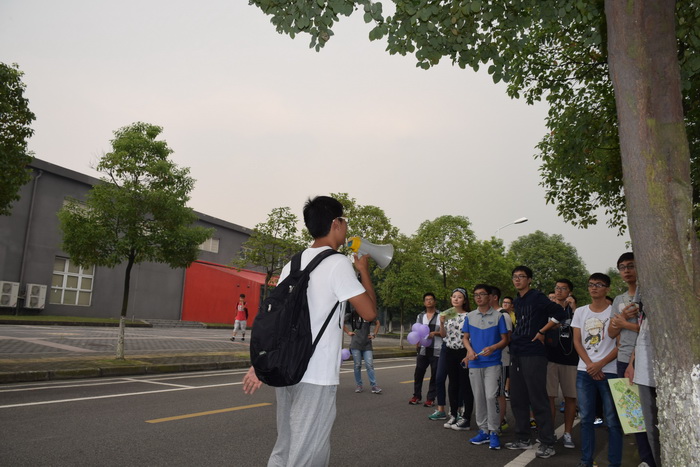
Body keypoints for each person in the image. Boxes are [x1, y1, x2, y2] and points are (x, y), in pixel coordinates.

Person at [242, 196, 377, 467]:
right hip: (317, 374)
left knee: (286, 446)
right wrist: (363, 271)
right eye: (344, 221)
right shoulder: (338, 263)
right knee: (307, 453)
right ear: (336, 223)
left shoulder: (293, 263)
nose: (346, 227)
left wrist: (260, 362)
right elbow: (369, 313)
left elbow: (278, 320)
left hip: (288, 368)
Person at [505, 266, 566, 459]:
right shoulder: (517, 300)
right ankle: (523, 437)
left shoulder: (537, 297)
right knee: (517, 398)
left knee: (538, 399)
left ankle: (548, 442)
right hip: (516, 352)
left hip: (534, 353)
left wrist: (542, 331)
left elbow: (560, 313)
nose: (517, 279)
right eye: (515, 277)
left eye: (521, 276)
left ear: (529, 279)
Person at [572, 273, 623, 467]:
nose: (594, 288)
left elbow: (620, 345)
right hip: (584, 371)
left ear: (607, 289)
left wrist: (599, 364)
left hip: (609, 371)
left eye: (599, 285)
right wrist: (590, 365)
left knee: (612, 421)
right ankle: (586, 461)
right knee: (586, 419)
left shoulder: (614, 313)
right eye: (591, 284)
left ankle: (614, 463)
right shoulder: (580, 312)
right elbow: (577, 341)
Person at [609, 253, 655, 466]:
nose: (626, 270)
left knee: (652, 413)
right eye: (622, 267)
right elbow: (611, 333)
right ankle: (646, 459)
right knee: (634, 416)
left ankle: (657, 457)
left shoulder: (649, 294)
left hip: (648, 360)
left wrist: (625, 323)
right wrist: (622, 321)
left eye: (630, 266)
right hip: (624, 359)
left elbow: (652, 329)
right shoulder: (619, 300)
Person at [462, 284, 509, 450]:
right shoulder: (470, 316)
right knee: (479, 397)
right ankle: (483, 431)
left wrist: (494, 347)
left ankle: (494, 431)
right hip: (475, 363)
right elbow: (465, 338)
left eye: (482, 294)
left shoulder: (498, 316)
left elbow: (505, 339)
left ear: (490, 297)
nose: (479, 297)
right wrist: (469, 351)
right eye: (476, 294)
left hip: (493, 363)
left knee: (491, 396)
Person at [624, 288, 660, 467]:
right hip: (644, 368)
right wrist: (632, 362)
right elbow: (641, 326)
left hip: (674, 370)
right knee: (649, 427)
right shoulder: (645, 283)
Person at [545, 278, 578, 449]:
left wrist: (573, 308)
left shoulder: (576, 311)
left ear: (569, 292)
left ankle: (567, 433)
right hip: (550, 357)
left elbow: (581, 331)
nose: (559, 291)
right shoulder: (548, 309)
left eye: (563, 288)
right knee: (549, 396)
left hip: (570, 359)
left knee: (570, 397)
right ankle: (549, 432)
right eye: (557, 288)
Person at [434, 288, 474, 431]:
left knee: (465, 384)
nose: (456, 299)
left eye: (459, 297)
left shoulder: (469, 316)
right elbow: (443, 335)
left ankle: (466, 417)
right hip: (450, 351)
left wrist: (468, 353)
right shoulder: (447, 314)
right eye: (454, 296)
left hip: (463, 351)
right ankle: (453, 414)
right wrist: (442, 323)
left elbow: (470, 336)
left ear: (464, 300)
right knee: (452, 384)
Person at [409, 292, 442, 407]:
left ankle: (431, 398)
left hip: (436, 349)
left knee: (434, 375)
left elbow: (445, 332)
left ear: (435, 301)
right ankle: (416, 396)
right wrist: (417, 342)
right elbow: (416, 330)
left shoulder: (441, 316)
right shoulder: (420, 316)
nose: (429, 301)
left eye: (431, 299)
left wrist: (435, 333)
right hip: (423, 350)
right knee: (418, 373)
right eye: (426, 299)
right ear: (424, 302)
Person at [490, 286, 513, 433]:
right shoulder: (486, 314)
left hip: (501, 359)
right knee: (490, 392)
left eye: (485, 295)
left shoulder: (503, 315)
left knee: (499, 393)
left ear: (494, 297)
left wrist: (493, 347)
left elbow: (508, 338)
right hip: (487, 359)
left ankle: (500, 422)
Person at [344, 310, 382, 394]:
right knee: (357, 365)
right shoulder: (352, 314)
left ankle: (374, 386)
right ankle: (359, 385)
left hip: (367, 344)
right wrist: (348, 332)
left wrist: (374, 334)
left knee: (369, 365)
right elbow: (340, 321)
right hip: (355, 344)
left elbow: (378, 323)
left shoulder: (368, 313)